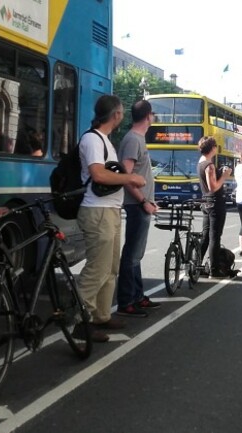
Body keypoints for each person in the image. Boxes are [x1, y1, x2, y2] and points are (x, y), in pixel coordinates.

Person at [76, 94, 146, 342]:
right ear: (115, 114)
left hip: (110, 210)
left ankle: (101, 315)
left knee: (111, 269)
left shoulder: (105, 139)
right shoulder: (93, 140)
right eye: (121, 112)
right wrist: (130, 178)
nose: (123, 116)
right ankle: (79, 320)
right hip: (98, 211)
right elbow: (98, 175)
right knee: (97, 268)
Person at [116, 100, 160, 317]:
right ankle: (126, 301)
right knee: (131, 254)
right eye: (153, 115)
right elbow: (126, 176)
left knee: (136, 254)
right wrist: (143, 201)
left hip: (142, 204)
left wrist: (149, 200)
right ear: (148, 116)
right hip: (136, 205)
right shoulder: (133, 140)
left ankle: (137, 296)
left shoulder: (137, 139)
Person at [198, 136, 232, 278]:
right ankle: (214, 269)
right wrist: (224, 175)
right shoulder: (209, 165)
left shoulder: (201, 162)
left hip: (205, 201)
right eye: (216, 146)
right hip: (215, 202)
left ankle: (197, 265)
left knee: (205, 236)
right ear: (212, 148)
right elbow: (213, 187)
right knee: (214, 237)